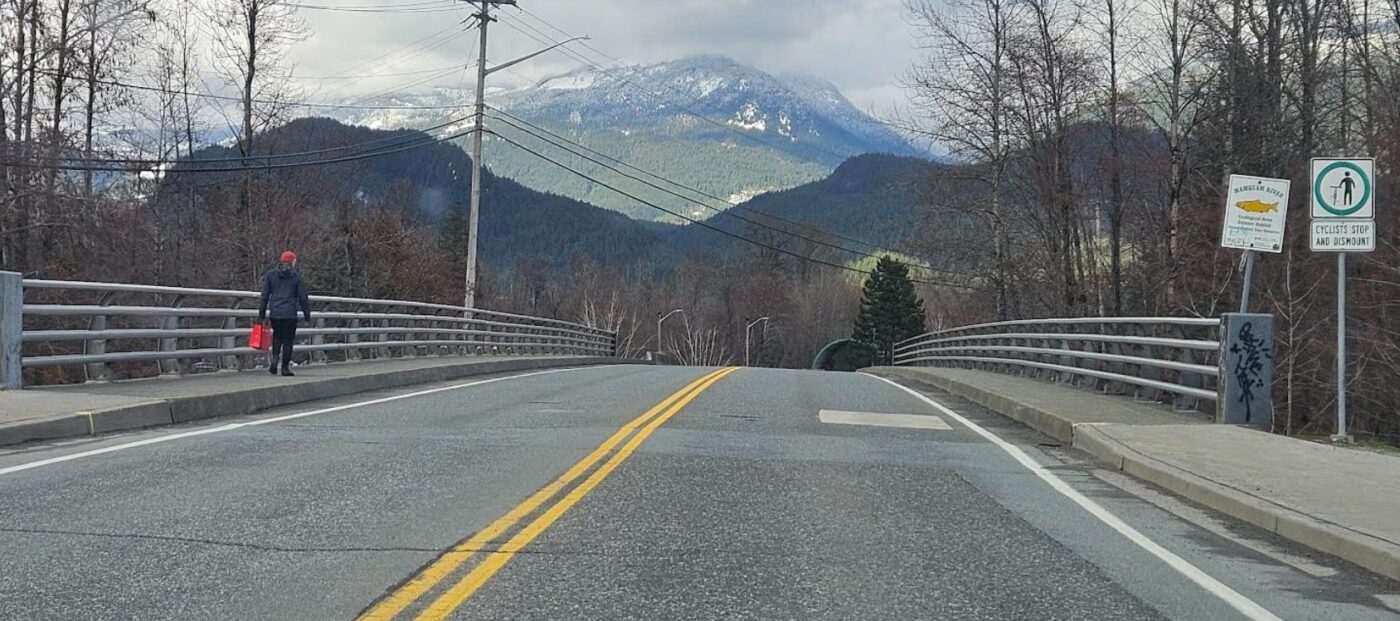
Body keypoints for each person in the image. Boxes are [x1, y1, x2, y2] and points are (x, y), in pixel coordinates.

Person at [258, 250, 311, 376]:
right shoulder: (296, 277)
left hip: (276, 313)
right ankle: (285, 367)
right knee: (288, 341)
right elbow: (303, 298)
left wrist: (261, 314)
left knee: (277, 337)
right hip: (290, 314)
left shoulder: (271, 275)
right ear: (292, 262)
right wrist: (307, 314)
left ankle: (275, 360)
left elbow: (264, 296)